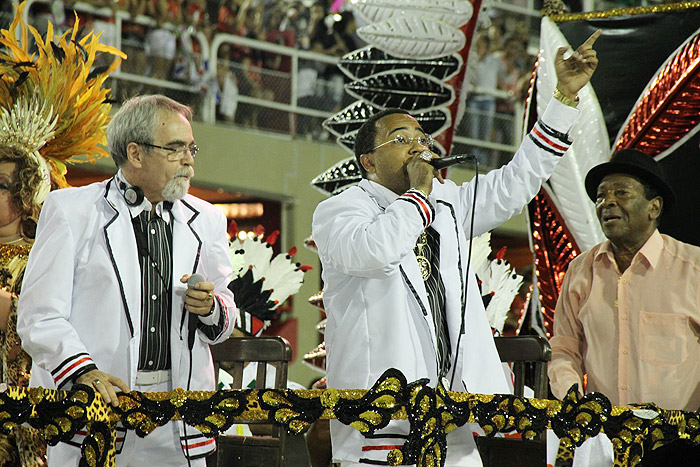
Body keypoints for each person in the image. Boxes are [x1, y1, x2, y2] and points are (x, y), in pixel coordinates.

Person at [311, 30, 601, 467]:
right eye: (400, 138)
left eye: (421, 137)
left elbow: (517, 181)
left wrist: (562, 98)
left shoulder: (445, 201)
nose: (418, 145)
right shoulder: (339, 210)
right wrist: (418, 196)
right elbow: (374, 250)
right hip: (382, 412)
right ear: (368, 161)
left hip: (453, 408)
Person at [17, 95, 236, 466]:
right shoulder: (72, 211)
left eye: (191, 148)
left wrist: (211, 307)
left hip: (178, 421)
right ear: (135, 153)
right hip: (95, 414)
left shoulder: (207, 219)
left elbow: (227, 310)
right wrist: (83, 371)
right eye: (176, 149)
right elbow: (39, 316)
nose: (189, 161)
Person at [548, 148, 700, 466]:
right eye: (602, 196)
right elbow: (564, 352)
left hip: (679, 445)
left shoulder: (694, 269)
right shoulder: (579, 272)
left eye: (621, 192)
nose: (607, 203)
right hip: (602, 443)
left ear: (653, 207)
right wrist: (576, 403)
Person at [0, 145, 49, 466]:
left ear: (24, 197)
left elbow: (42, 325)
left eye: (2, 185)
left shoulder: (37, 257)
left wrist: (7, 308)